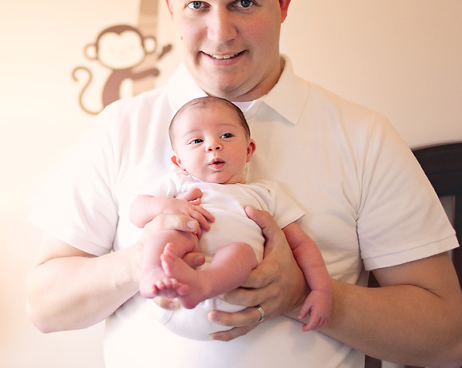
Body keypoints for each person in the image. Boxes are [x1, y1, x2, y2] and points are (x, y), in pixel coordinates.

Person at [26, 0, 462, 367]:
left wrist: (301, 294)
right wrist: (143, 260)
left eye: (243, 3)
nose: (219, 34)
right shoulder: (120, 128)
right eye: (197, 5)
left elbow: (446, 340)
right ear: (172, 8)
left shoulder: (363, 137)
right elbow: (44, 307)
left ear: (282, 4)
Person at [133, 96, 330, 338]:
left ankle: (203, 284)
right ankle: (153, 272)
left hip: (233, 292)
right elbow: (137, 212)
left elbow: (300, 244)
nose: (213, 145)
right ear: (179, 162)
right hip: (170, 297)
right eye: (196, 140)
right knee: (170, 233)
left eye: (226, 135)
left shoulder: (266, 193)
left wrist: (321, 290)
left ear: (248, 150)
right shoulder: (178, 184)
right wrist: (167, 206)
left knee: (242, 251)